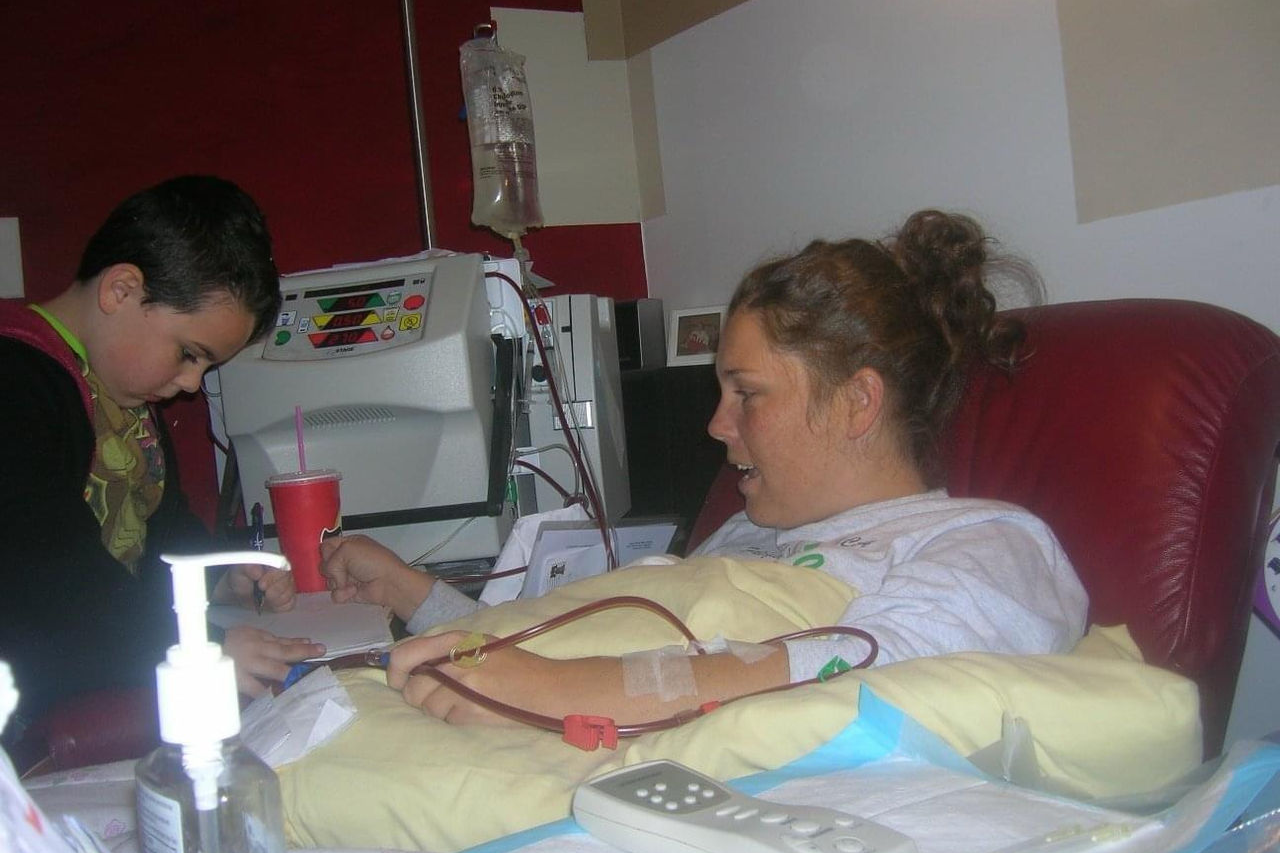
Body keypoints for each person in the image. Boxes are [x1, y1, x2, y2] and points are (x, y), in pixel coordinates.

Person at [320, 209, 1088, 728]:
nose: (717, 426)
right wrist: (415, 597)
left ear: (858, 403)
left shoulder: (988, 544)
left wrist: (560, 695)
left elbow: (873, 664)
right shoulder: (742, 537)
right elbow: (560, 654)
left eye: (746, 394)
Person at [0, 175, 324, 752]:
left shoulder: (121, 393)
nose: (192, 385)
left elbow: (163, 532)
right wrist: (194, 656)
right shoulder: (17, 387)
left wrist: (219, 581)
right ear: (121, 290)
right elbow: (48, 593)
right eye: (189, 353)